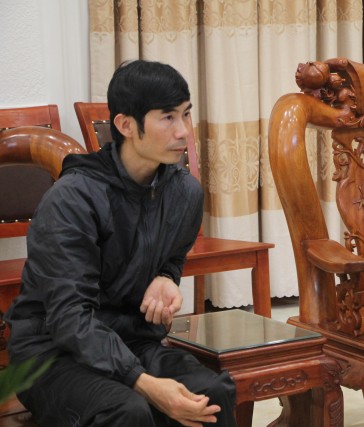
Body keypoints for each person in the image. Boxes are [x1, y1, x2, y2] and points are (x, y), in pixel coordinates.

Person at [6, 60, 236, 427]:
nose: (183, 131)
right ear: (126, 125)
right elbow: (68, 317)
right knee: (128, 409)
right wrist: (143, 383)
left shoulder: (185, 193)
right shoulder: (72, 200)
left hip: (130, 338)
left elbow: (174, 254)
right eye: (168, 118)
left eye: (186, 114)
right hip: (51, 352)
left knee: (212, 393)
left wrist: (166, 276)